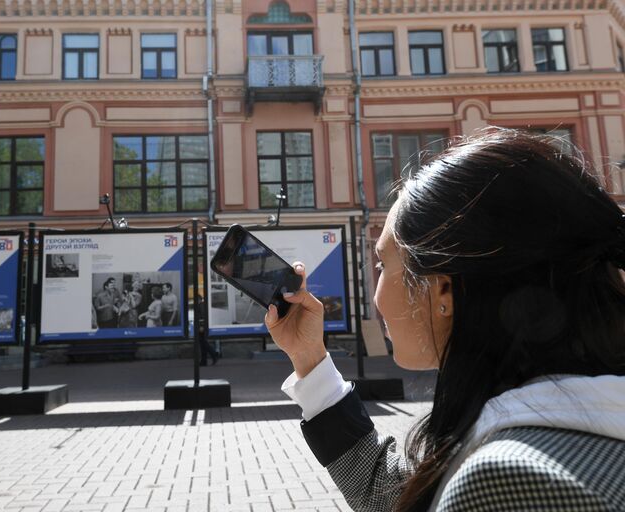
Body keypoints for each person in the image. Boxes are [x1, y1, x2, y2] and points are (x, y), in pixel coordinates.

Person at [265, 129, 625, 511]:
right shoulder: (562, 422)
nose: (377, 293)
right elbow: (392, 495)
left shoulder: (509, 480)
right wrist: (309, 357)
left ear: (442, 291)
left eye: (383, 264)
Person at [197, 295, 218, 366]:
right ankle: (204, 361)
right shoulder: (200, 305)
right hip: (200, 327)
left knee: (204, 343)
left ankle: (214, 355)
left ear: (199, 299)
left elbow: (203, 317)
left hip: (201, 327)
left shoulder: (201, 305)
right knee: (203, 344)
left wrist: (202, 326)